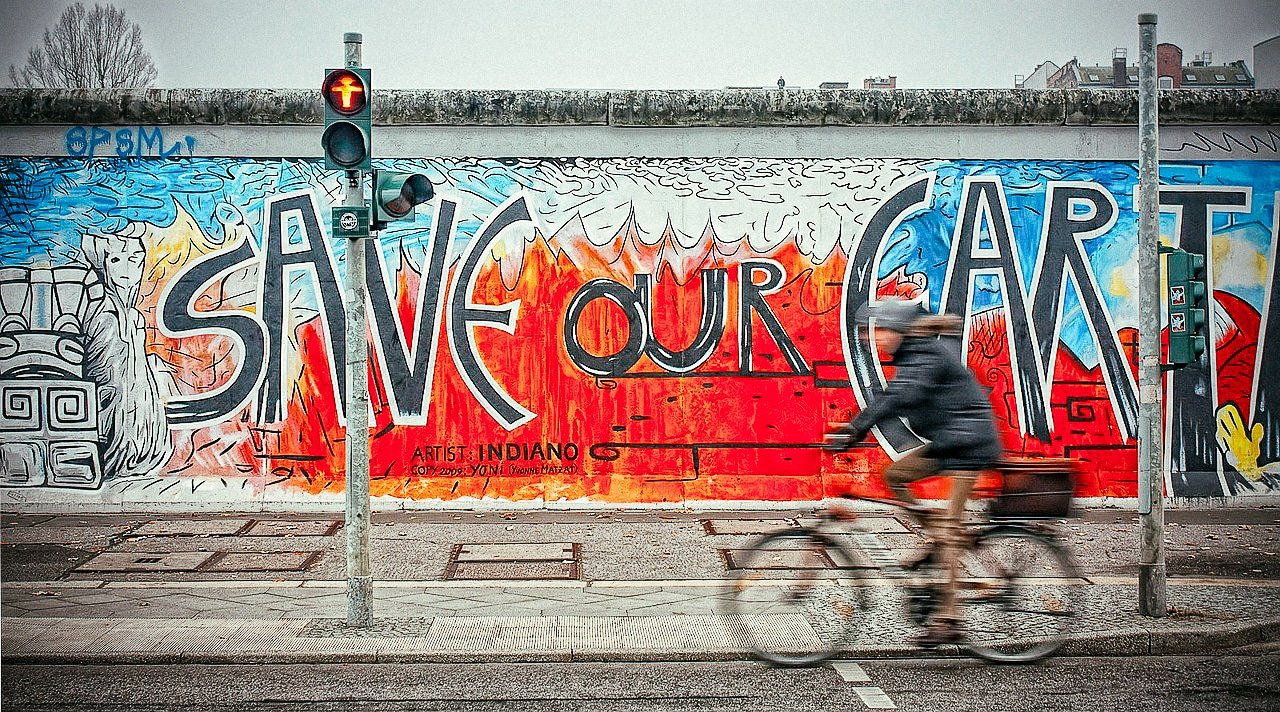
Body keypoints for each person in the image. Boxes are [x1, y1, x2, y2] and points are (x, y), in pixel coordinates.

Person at [825, 297, 1002, 646]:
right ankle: (937, 536)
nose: (877, 339)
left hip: (968, 446)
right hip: (950, 441)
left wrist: (855, 430)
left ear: (900, 330)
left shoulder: (924, 356)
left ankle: (949, 618)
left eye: (882, 331)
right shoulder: (914, 355)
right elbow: (897, 395)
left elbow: (899, 397)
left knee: (951, 532)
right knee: (895, 476)